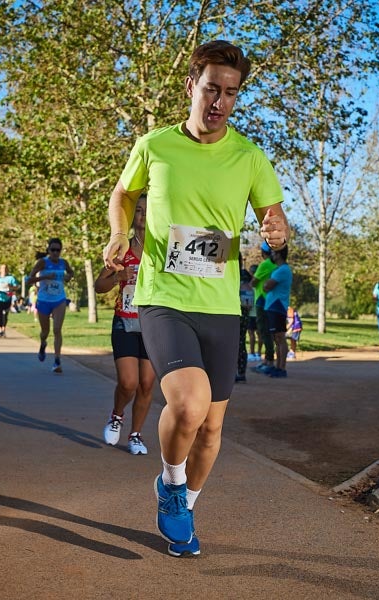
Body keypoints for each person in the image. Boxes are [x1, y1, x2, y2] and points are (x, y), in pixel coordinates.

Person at [102, 40, 289, 557]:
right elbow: (124, 193)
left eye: (231, 93)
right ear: (192, 86)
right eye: (211, 88)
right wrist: (119, 233)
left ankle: (184, 499)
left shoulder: (250, 157)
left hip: (221, 304)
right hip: (163, 295)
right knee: (187, 405)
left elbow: (275, 217)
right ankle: (169, 485)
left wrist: (276, 228)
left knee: (211, 428)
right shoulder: (155, 145)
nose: (220, 101)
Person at [95, 195, 155, 455]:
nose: (141, 215)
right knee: (129, 382)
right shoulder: (122, 249)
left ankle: (136, 435)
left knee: (146, 383)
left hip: (153, 325)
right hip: (125, 321)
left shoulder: (161, 252)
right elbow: (99, 287)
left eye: (146, 210)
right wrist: (119, 275)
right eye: (138, 210)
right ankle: (117, 415)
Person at [27, 238, 74, 373]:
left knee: (57, 329)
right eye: (52, 250)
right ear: (48, 250)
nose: (55, 253)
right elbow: (29, 279)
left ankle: (57, 360)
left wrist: (68, 277)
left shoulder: (63, 263)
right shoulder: (42, 262)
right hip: (43, 300)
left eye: (58, 250)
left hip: (59, 299)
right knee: (45, 332)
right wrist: (45, 277)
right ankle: (43, 344)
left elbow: (71, 273)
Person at [263, 246, 293, 377]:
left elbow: (267, 286)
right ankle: (277, 366)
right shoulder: (280, 270)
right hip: (273, 306)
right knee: (276, 338)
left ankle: (282, 368)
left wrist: (266, 285)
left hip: (277, 306)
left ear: (279, 254)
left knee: (280, 338)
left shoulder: (283, 270)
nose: (272, 255)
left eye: (274, 252)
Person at [251, 242, 278, 374]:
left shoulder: (265, 264)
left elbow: (254, 282)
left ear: (263, 252)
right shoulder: (276, 265)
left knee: (263, 331)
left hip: (261, 300)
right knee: (270, 332)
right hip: (272, 301)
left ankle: (269, 361)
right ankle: (269, 359)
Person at [236, 254, 254, 382]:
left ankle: (240, 372)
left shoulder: (242, 276)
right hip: (242, 311)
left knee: (239, 342)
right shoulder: (245, 275)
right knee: (240, 342)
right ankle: (239, 372)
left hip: (240, 311)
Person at [0, 264, 18, 338]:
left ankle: (4, 329)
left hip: (7, 298)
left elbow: (16, 287)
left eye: (5, 268)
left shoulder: (11, 278)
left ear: (8, 270)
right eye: (2, 268)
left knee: (5, 314)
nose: (4, 270)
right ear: (0, 270)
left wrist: (11, 287)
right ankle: (0, 330)